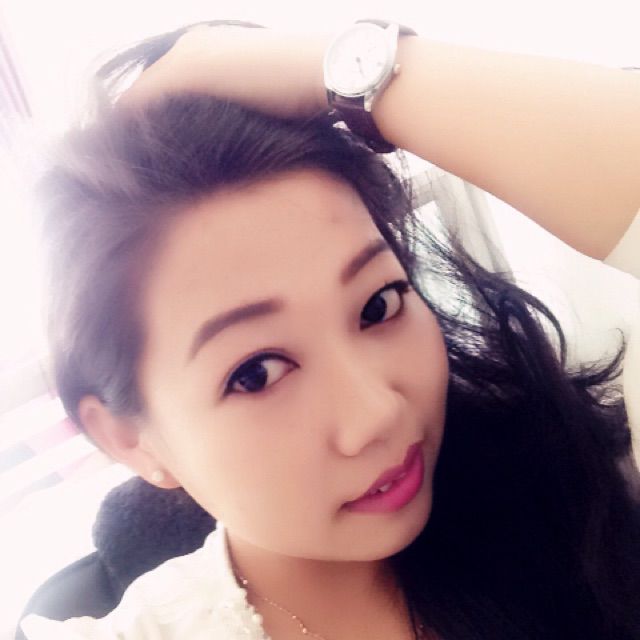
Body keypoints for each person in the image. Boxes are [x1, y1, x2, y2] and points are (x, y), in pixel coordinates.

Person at [19, 18, 640, 640]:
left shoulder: (556, 482)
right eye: (256, 373)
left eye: (377, 307)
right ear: (129, 439)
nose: (378, 414)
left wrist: (327, 65)